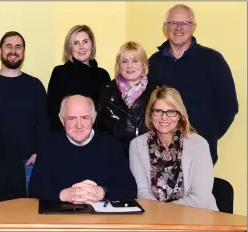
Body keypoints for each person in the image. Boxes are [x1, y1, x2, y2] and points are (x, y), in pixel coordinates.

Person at [148, 4, 238, 164]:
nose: (179, 28)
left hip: (200, 151)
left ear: (193, 27)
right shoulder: (153, 63)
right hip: (161, 151)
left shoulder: (212, 60)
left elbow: (229, 105)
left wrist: (208, 134)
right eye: (173, 23)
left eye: (185, 23)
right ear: (165, 27)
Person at [29, 95, 137, 203]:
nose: (79, 126)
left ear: (93, 118)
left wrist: (102, 192)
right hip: (60, 216)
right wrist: (64, 194)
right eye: (72, 118)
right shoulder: (48, 145)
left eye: (85, 118)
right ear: (62, 120)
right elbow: (35, 189)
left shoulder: (111, 144)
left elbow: (129, 188)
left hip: (102, 217)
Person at [129, 86, 218, 211]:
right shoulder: (137, 145)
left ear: (179, 115)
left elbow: (200, 198)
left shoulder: (199, 144)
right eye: (158, 111)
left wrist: (164, 212)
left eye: (171, 112)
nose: (164, 118)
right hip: (155, 219)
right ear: (151, 114)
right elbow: (143, 192)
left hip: (197, 217)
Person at [0, 31, 49, 192]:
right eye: (8, 46)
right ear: (0, 51)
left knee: (27, 213)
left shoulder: (35, 85)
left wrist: (39, 152)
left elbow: (44, 123)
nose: (13, 51)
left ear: (24, 52)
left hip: (28, 164)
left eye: (18, 47)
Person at [97, 41, 160, 158]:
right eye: (124, 61)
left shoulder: (157, 91)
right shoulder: (105, 91)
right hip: (115, 159)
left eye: (135, 61)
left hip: (151, 159)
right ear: (118, 65)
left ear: (144, 64)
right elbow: (99, 130)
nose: (129, 66)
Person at [47, 25, 111, 132]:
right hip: (68, 138)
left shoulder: (103, 75)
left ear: (92, 44)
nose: (81, 47)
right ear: (69, 48)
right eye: (76, 43)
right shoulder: (60, 73)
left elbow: (108, 114)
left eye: (85, 41)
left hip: (97, 138)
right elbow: (53, 113)